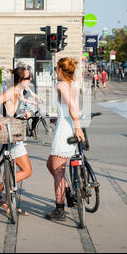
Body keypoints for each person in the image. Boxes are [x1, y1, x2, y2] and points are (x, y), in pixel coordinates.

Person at [0, 67, 34, 216]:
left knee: (12, 172)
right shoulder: (11, 92)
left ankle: (9, 205)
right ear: (20, 80)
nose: (30, 80)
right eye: (28, 78)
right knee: (27, 171)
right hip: (11, 137)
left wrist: (23, 115)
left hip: (14, 134)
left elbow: (11, 113)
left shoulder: (18, 92)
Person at [45, 58, 85, 221]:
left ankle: (60, 209)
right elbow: (68, 108)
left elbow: (72, 106)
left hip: (66, 131)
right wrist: (60, 118)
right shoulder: (72, 85)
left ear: (61, 70)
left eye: (56, 68)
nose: (55, 71)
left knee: (58, 171)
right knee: (51, 165)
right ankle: (69, 193)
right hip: (66, 124)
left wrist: (76, 126)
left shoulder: (61, 85)